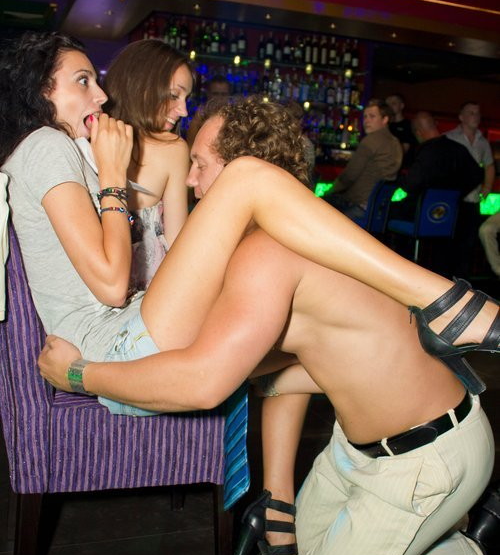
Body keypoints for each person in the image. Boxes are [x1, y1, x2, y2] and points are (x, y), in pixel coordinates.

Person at [38, 97, 500, 555]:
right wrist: (276, 498)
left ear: (242, 170)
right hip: (354, 453)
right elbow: (276, 380)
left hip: (427, 460)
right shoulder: (287, 241)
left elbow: (203, 383)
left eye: (201, 164)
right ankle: (425, 528)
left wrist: (79, 374)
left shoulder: (267, 254)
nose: (191, 180)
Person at [1, 33, 497, 416]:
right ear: (39, 89)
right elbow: (111, 285)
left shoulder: (67, 152)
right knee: (246, 179)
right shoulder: (45, 146)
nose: (101, 94)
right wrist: (113, 177)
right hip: (111, 347)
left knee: (303, 306)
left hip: (133, 331)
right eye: (83, 81)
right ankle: (445, 305)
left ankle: (424, 349)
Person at [99, 39, 191, 290]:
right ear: (140, 85)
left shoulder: (174, 149)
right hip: (104, 294)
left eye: (186, 98)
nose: (184, 111)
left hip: (148, 295)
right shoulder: (84, 139)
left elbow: (178, 248)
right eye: (174, 95)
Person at [390, 111, 485, 277]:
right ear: (435, 125)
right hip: (452, 219)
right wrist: (455, 195)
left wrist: (397, 186)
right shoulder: (458, 148)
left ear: (418, 132)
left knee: (391, 213)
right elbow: (478, 174)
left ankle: (399, 272)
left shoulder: (426, 152)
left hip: (423, 218)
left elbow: (411, 184)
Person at [324, 99, 402, 221]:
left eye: (372, 116)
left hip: (359, 207)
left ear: (385, 119)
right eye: (365, 116)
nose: (366, 121)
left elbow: (349, 176)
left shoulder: (371, 140)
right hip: (380, 209)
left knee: (316, 205)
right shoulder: (395, 142)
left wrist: (330, 190)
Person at [446, 101, 495, 198]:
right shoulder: (448, 138)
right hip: (453, 196)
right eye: (471, 113)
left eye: (478, 113)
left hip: (474, 197)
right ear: (461, 117)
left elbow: (489, 165)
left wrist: (488, 187)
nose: (476, 116)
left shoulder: (483, 142)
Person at [185, 74, 231, 150]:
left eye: (223, 94)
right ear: (208, 94)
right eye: (215, 94)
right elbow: (191, 146)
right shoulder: (200, 116)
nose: (219, 98)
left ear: (228, 95)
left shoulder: (233, 116)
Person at [386, 92, 417, 168]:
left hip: (402, 167)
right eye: (388, 104)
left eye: (394, 103)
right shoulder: (385, 125)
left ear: (402, 106)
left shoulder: (408, 125)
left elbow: (403, 150)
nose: (390, 106)